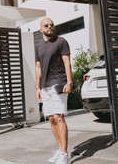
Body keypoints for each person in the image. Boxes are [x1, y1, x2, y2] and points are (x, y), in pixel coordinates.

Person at [35, 17, 73, 164]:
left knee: (59, 117)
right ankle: (60, 150)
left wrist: (69, 82)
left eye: (51, 25)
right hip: (45, 86)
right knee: (51, 118)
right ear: (41, 29)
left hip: (59, 83)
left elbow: (67, 62)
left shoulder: (61, 42)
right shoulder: (38, 46)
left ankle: (64, 154)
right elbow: (38, 67)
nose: (49, 27)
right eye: (46, 25)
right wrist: (37, 87)